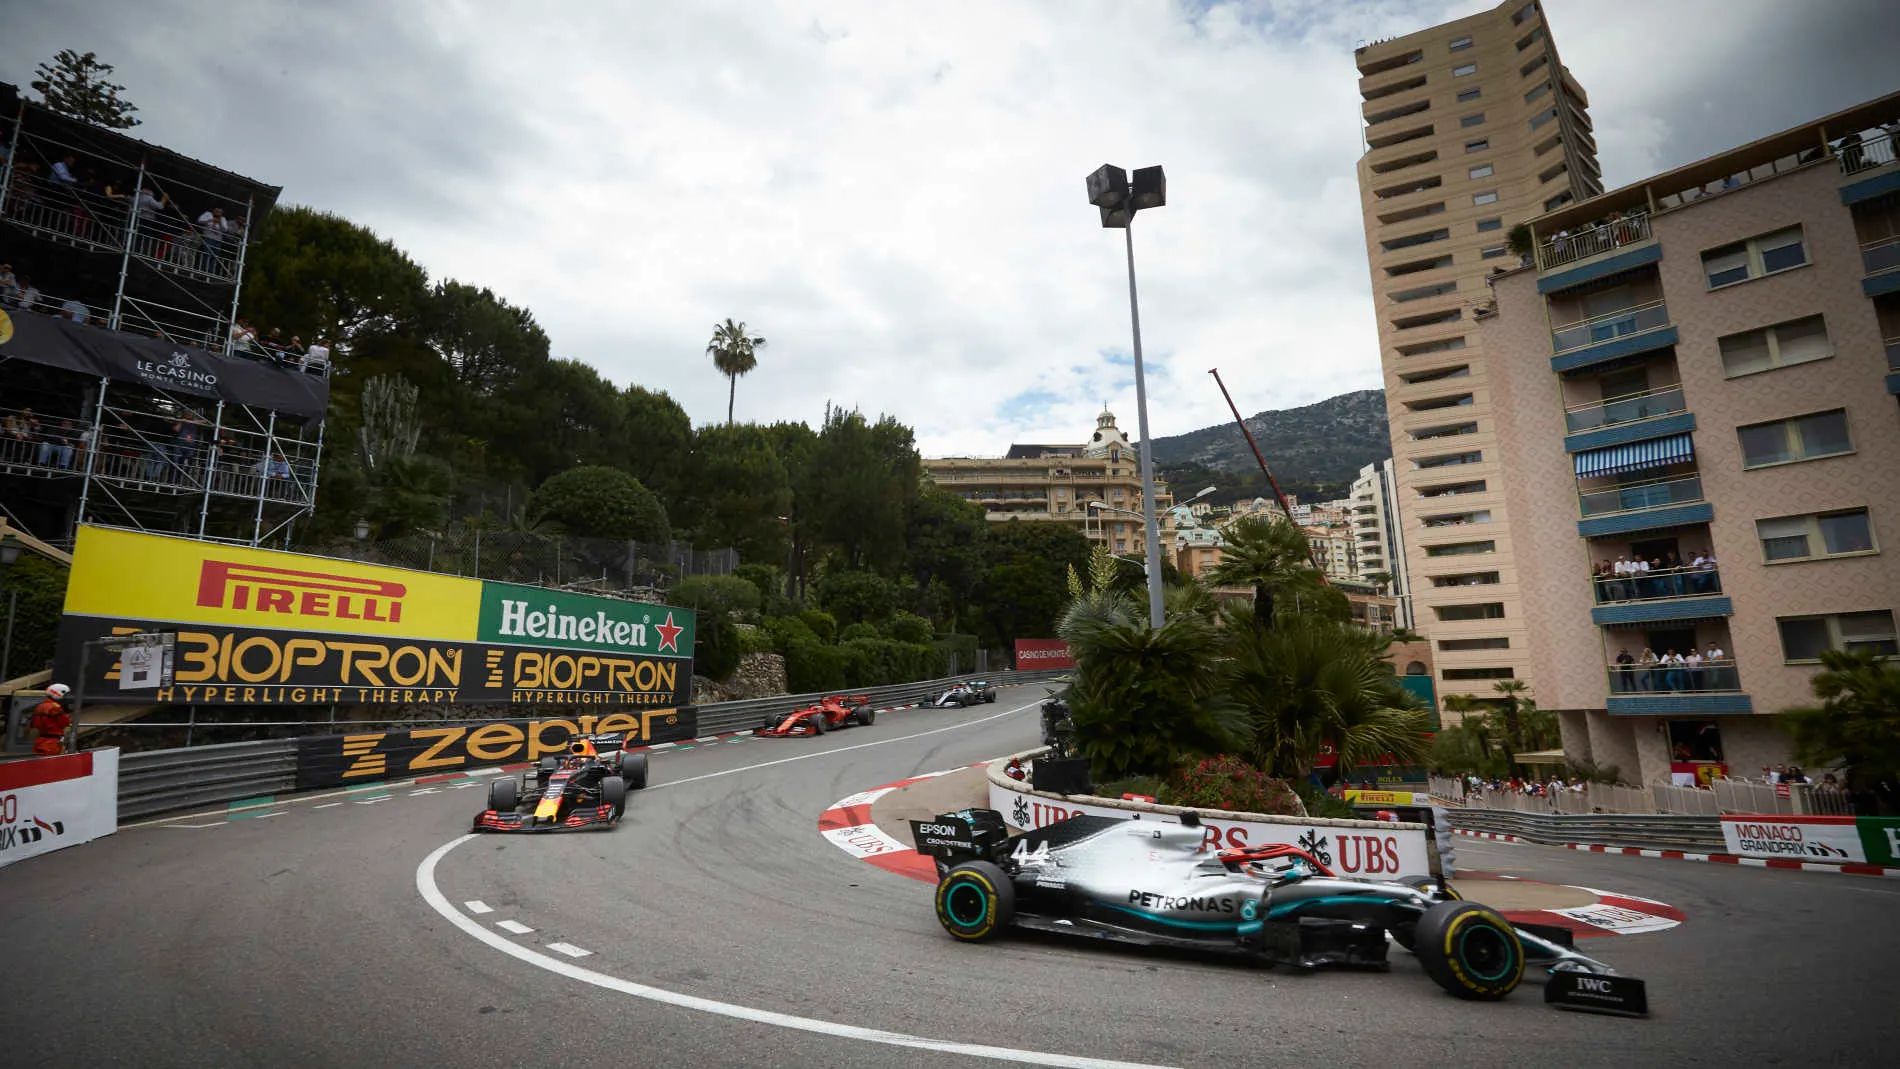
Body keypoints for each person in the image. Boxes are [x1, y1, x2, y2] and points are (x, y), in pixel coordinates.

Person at [30, 684, 73, 756]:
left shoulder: (41, 706)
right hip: (52, 742)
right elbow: (66, 722)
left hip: (40, 741)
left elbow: (33, 724)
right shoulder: (55, 707)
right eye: (65, 695)